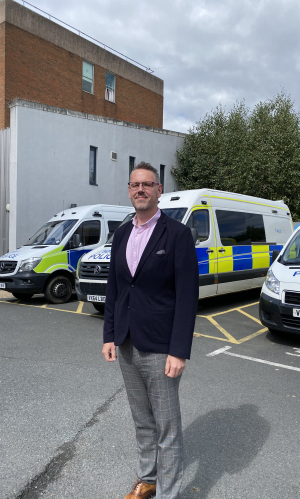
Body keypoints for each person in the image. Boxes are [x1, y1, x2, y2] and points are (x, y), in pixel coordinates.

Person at [102, 162, 199, 499]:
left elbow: (187, 297)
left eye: (147, 184)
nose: (140, 190)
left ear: (159, 190)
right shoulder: (121, 234)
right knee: (142, 421)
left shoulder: (177, 234)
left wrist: (179, 350)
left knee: (167, 428)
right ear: (128, 191)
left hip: (161, 348)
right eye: (134, 185)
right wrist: (109, 335)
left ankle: (167, 494)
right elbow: (116, 288)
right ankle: (147, 480)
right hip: (127, 342)